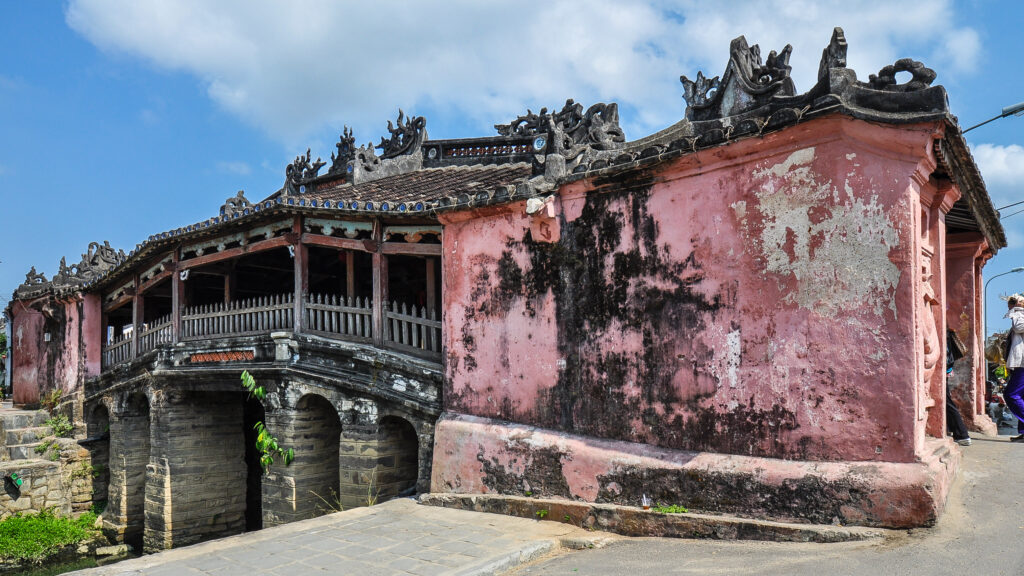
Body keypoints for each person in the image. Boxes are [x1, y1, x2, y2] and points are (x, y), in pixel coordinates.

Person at [1002, 294, 1024, 441]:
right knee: (1020, 396)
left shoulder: (1019, 316)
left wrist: (1016, 310)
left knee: (1011, 394)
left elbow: (1018, 328)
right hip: (1019, 364)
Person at [946, 330, 971, 446]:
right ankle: (957, 432)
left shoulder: (945, 333)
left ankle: (962, 434)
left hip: (945, 367)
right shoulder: (948, 332)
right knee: (947, 399)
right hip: (948, 367)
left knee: (947, 400)